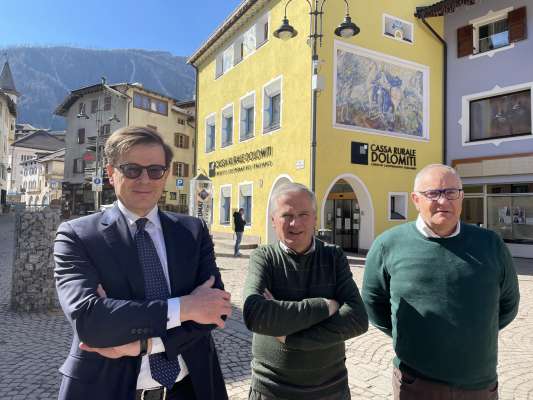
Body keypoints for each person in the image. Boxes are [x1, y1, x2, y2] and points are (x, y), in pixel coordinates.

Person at [54, 126, 231, 400]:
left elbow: (215, 310)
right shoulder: (77, 235)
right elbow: (91, 322)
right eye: (132, 170)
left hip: (190, 389)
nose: (145, 180)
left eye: (155, 170)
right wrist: (185, 307)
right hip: (106, 390)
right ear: (111, 173)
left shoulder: (193, 232)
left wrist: (143, 344)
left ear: (167, 174)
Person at [362, 164, 520, 400]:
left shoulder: (491, 244)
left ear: (462, 197)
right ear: (415, 199)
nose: (443, 201)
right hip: (415, 384)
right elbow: (374, 305)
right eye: (433, 193)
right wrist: (413, 335)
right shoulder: (388, 245)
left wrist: (473, 333)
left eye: (450, 192)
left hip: (478, 385)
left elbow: (508, 304)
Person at [243, 182, 368, 400]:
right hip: (271, 389)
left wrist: (289, 337)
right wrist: (325, 306)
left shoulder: (333, 256)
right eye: (286, 215)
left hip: (331, 389)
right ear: (273, 220)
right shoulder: (264, 258)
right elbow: (255, 314)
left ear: (315, 219)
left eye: (303, 214)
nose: (295, 223)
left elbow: (357, 319)